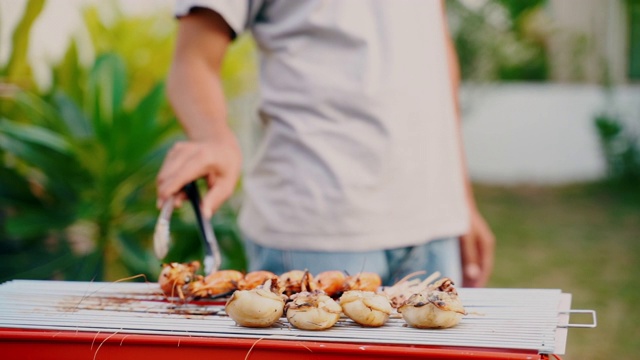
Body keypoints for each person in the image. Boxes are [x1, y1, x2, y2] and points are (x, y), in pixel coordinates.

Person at [156, 0, 495, 287]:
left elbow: (435, 54)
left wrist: (461, 198)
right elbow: (194, 59)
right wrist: (214, 138)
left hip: (433, 220)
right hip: (316, 225)